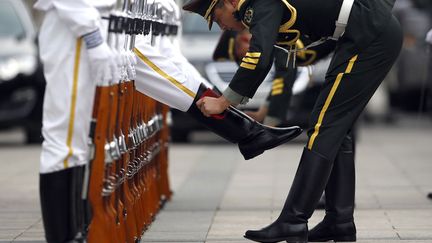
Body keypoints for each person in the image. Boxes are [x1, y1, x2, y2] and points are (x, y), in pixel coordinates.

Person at [183, 0, 402, 242]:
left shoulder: (257, 4)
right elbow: (281, 60)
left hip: (368, 33)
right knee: (335, 129)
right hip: (362, 32)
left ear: (228, 2)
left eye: (216, 16)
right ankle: (339, 221)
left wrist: (223, 102)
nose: (221, 27)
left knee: (324, 127)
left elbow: (259, 55)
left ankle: (293, 220)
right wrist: (270, 109)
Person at [34, 0, 118, 242]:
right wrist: (92, 34)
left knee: (77, 141)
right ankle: (62, 237)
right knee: (65, 139)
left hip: (87, 24)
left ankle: (74, 232)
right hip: (75, 26)